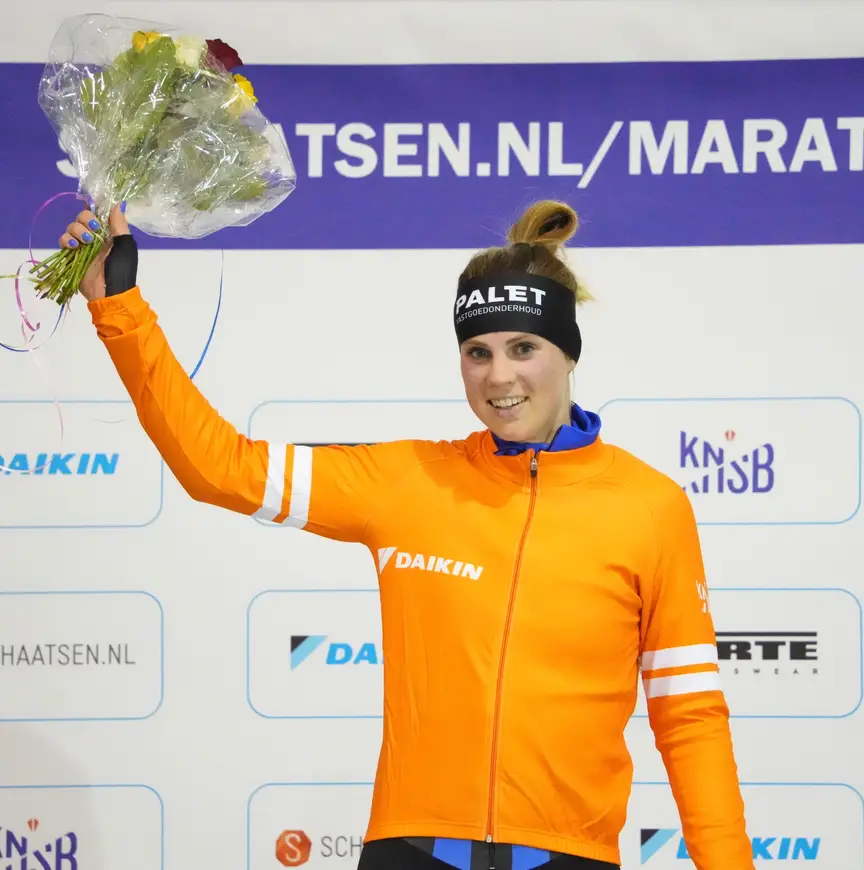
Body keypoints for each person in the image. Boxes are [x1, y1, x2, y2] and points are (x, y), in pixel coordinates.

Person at [61, 199, 754, 870]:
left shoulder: (649, 507)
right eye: (477, 352)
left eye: (523, 348)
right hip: (411, 851)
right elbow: (218, 467)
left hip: (570, 857)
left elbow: (689, 716)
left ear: (569, 353)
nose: (500, 376)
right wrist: (119, 307)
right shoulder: (411, 480)